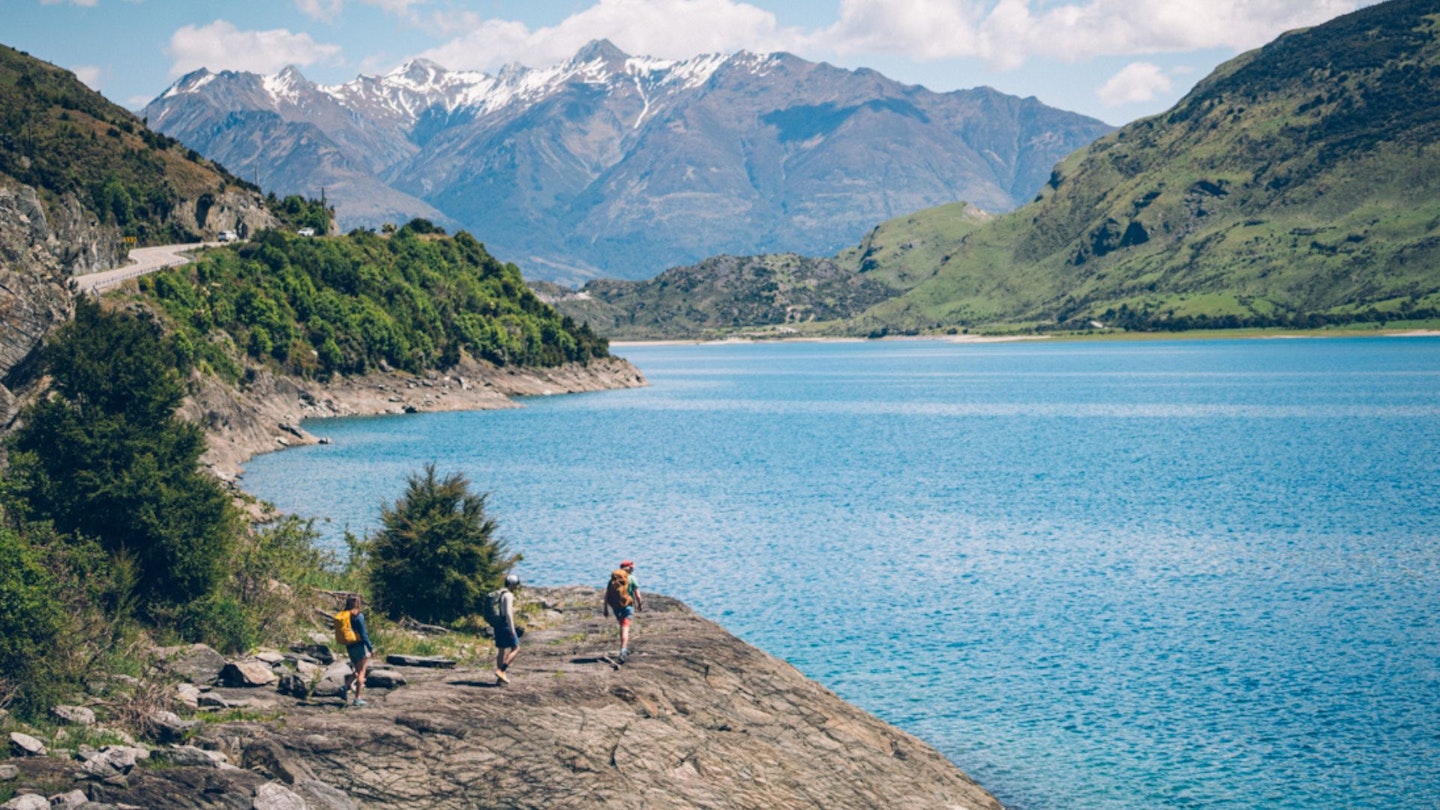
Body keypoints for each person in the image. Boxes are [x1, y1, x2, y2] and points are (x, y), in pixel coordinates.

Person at [602, 560, 643, 662]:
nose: (633, 568)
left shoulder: (612, 580)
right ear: (628, 568)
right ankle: (623, 650)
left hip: (616, 607)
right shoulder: (632, 578)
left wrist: (606, 609)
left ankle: (624, 647)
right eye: (631, 567)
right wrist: (639, 604)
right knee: (625, 628)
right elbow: (637, 595)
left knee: (622, 626)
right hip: (627, 606)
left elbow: (606, 595)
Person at [341, 594, 376, 707]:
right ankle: (357, 698)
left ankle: (345, 687)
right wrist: (370, 648)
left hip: (349, 645)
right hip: (359, 646)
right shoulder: (358, 616)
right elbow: (363, 634)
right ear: (358, 603)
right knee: (362, 672)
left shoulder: (345, 615)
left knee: (357, 669)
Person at [494, 574, 521, 685]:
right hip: (505, 624)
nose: (516, 587)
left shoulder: (500, 594)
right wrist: (512, 629)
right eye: (515, 585)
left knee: (501, 650)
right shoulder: (508, 595)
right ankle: (501, 670)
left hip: (497, 624)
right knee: (516, 648)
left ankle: (500, 679)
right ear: (511, 584)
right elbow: (509, 613)